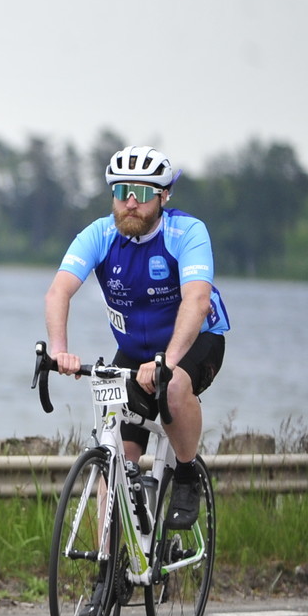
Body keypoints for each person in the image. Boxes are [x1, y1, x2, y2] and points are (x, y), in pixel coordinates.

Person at [44, 144, 230, 551]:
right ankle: (108, 569)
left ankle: (186, 475)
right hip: (135, 351)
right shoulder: (99, 234)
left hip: (195, 340)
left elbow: (197, 301)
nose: (131, 202)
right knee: (115, 456)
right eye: (122, 191)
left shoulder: (187, 233)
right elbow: (59, 291)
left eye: (143, 193)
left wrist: (167, 361)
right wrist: (59, 350)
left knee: (174, 386)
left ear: (164, 196)